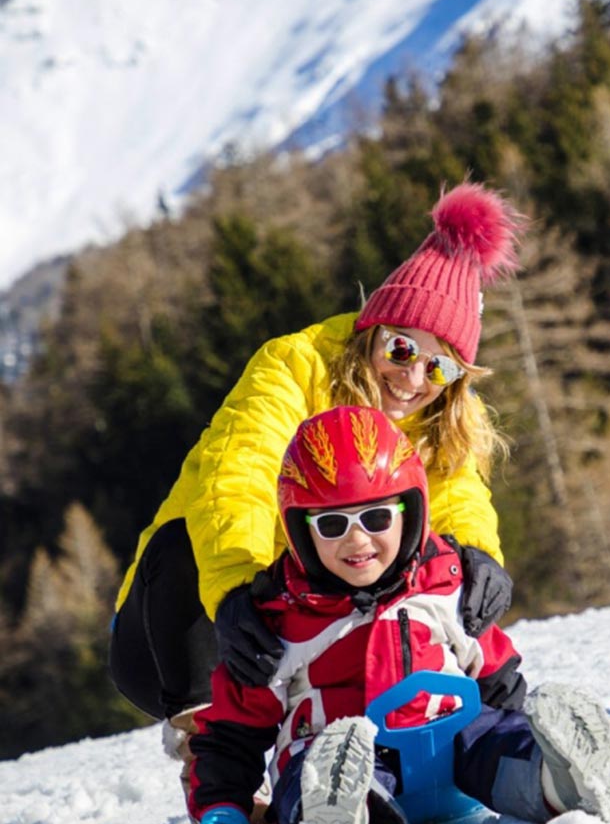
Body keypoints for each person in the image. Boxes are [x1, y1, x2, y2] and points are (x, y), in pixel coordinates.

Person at [109, 183, 525, 764]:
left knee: (432, 571)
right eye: (401, 350)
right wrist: (236, 590)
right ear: (371, 330)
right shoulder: (295, 367)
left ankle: (462, 749)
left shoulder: (441, 413)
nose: (413, 379)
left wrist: (478, 557)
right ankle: (214, 767)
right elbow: (239, 473)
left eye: (440, 367)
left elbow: (458, 495)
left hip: (313, 627)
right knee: (184, 548)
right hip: (186, 630)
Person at [158, 407, 610, 824]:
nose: (357, 541)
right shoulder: (279, 621)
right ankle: (339, 818)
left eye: (376, 518)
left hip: (452, 743)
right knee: (314, 768)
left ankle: (557, 778)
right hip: (346, 753)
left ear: (411, 511)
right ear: (299, 528)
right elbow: (232, 733)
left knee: (494, 737)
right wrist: (223, 814)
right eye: (332, 525)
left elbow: (494, 671)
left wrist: (514, 724)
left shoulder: (447, 583)